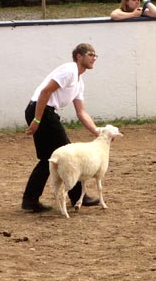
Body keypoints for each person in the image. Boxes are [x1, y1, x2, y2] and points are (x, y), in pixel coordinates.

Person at [22, 44, 103, 213]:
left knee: (48, 158)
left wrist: (97, 132)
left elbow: (81, 112)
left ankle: (30, 200)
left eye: (95, 55)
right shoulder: (69, 70)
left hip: (43, 112)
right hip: (42, 111)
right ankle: (78, 197)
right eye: (90, 54)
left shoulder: (79, 82)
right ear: (79, 57)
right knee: (68, 154)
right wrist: (37, 119)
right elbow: (45, 93)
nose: (94, 58)